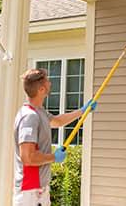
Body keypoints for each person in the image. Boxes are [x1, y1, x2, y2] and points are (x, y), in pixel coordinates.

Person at [13, 68, 96, 206]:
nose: (50, 83)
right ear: (41, 89)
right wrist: (53, 157)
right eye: (47, 81)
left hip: (39, 190)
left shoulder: (39, 113)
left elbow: (57, 121)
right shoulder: (29, 117)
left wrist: (82, 111)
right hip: (30, 192)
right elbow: (27, 157)